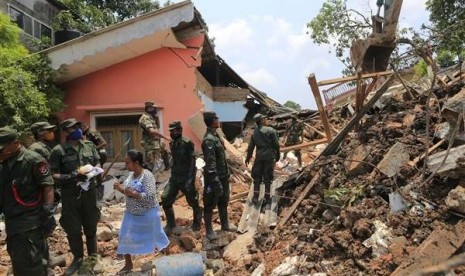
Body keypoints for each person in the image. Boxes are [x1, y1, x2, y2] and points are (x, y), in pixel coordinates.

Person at [0, 126, 56, 275]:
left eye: (2, 148)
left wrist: (48, 211)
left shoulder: (33, 160)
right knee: (21, 264)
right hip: (13, 224)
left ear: (15, 143)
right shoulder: (4, 163)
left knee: (31, 267)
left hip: (29, 225)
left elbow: (48, 186)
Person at [49, 118, 101, 276]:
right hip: (70, 195)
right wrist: (72, 176)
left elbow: (98, 162)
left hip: (89, 193)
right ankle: (78, 259)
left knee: (91, 225)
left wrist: (95, 171)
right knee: (73, 229)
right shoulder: (58, 151)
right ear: (65, 132)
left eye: (78, 127)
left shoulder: (89, 145)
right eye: (73, 128)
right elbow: (53, 175)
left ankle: (93, 259)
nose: (78, 130)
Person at [113, 149, 169, 274]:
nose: (126, 165)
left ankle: (168, 259)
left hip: (148, 213)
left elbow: (150, 195)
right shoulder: (131, 176)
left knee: (158, 236)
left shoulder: (147, 176)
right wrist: (119, 188)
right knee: (124, 236)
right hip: (131, 214)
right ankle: (128, 264)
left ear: (136, 162)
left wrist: (133, 193)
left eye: (128, 163)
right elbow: (127, 192)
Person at [29, 121, 67, 269]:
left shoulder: (41, 147)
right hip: (41, 193)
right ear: (40, 133)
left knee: (44, 225)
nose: (52, 132)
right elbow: (43, 174)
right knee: (43, 225)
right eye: (48, 130)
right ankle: (42, 259)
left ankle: (45, 256)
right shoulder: (37, 149)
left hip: (43, 191)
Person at [161, 121, 202, 234]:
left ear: (180, 130)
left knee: (193, 201)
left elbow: (193, 162)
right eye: (171, 131)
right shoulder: (172, 144)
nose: (172, 133)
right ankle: (170, 224)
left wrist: (190, 179)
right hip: (175, 178)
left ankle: (197, 224)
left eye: (174, 131)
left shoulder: (187, 143)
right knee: (165, 198)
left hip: (186, 177)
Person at [202, 111, 237, 240]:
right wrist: (215, 182)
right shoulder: (209, 140)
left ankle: (225, 225)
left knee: (223, 201)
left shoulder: (216, 136)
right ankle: (209, 231)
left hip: (223, 176)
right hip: (214, 178)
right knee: (209, 205)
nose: (218, 120)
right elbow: (210, 165)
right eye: (216, 118)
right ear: (212, 121)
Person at [245, 114, 280, 206]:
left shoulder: (255, 133)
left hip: (259, 157)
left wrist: (248, 158)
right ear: (261, 120)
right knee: (268, 177)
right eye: (265, 118)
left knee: (257, 177)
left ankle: (255, 197)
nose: (266, 119)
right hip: (269, 157)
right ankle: (267, 198)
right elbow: (276, 145)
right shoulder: (271, 131)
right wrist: (278, 155)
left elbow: (250, 147)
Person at [138, 101, 171, 172]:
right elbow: (152, 131)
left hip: (155, 143)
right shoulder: (145, 118)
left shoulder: (152, 117)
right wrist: (165, 137)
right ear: (149, 108)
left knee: (164, 152)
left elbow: (156, 129)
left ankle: (167, 169)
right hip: (149, 145)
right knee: (150, 164)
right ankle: (148, 178)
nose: (156, 110)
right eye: (154, 108)